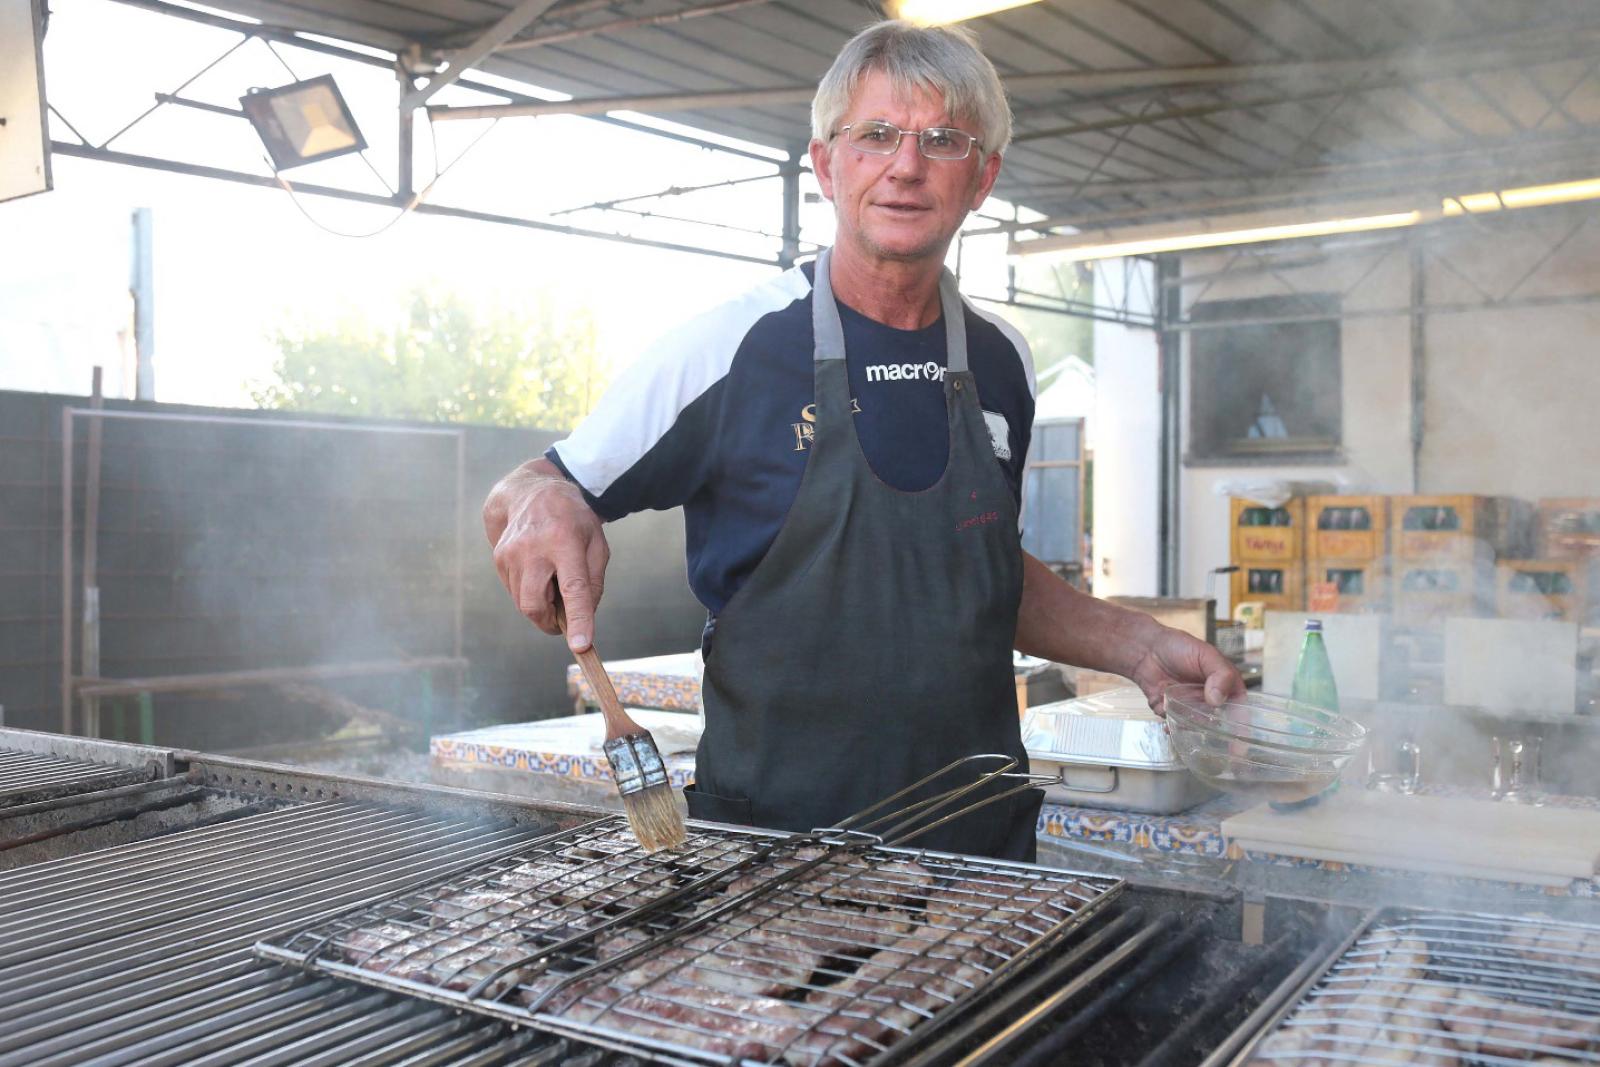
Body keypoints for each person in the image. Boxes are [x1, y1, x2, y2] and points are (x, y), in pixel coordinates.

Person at [483, 19, 1243, 861]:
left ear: (982, 176)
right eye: (876, 134)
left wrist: (1140, 646)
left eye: (942, 140)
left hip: (977, 855)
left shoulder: (1003, 361)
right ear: (825, 163)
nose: (906, 165)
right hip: (770, 855)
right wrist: (538, 498)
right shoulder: (732, 348)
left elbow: (975, 569)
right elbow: (533, 487)